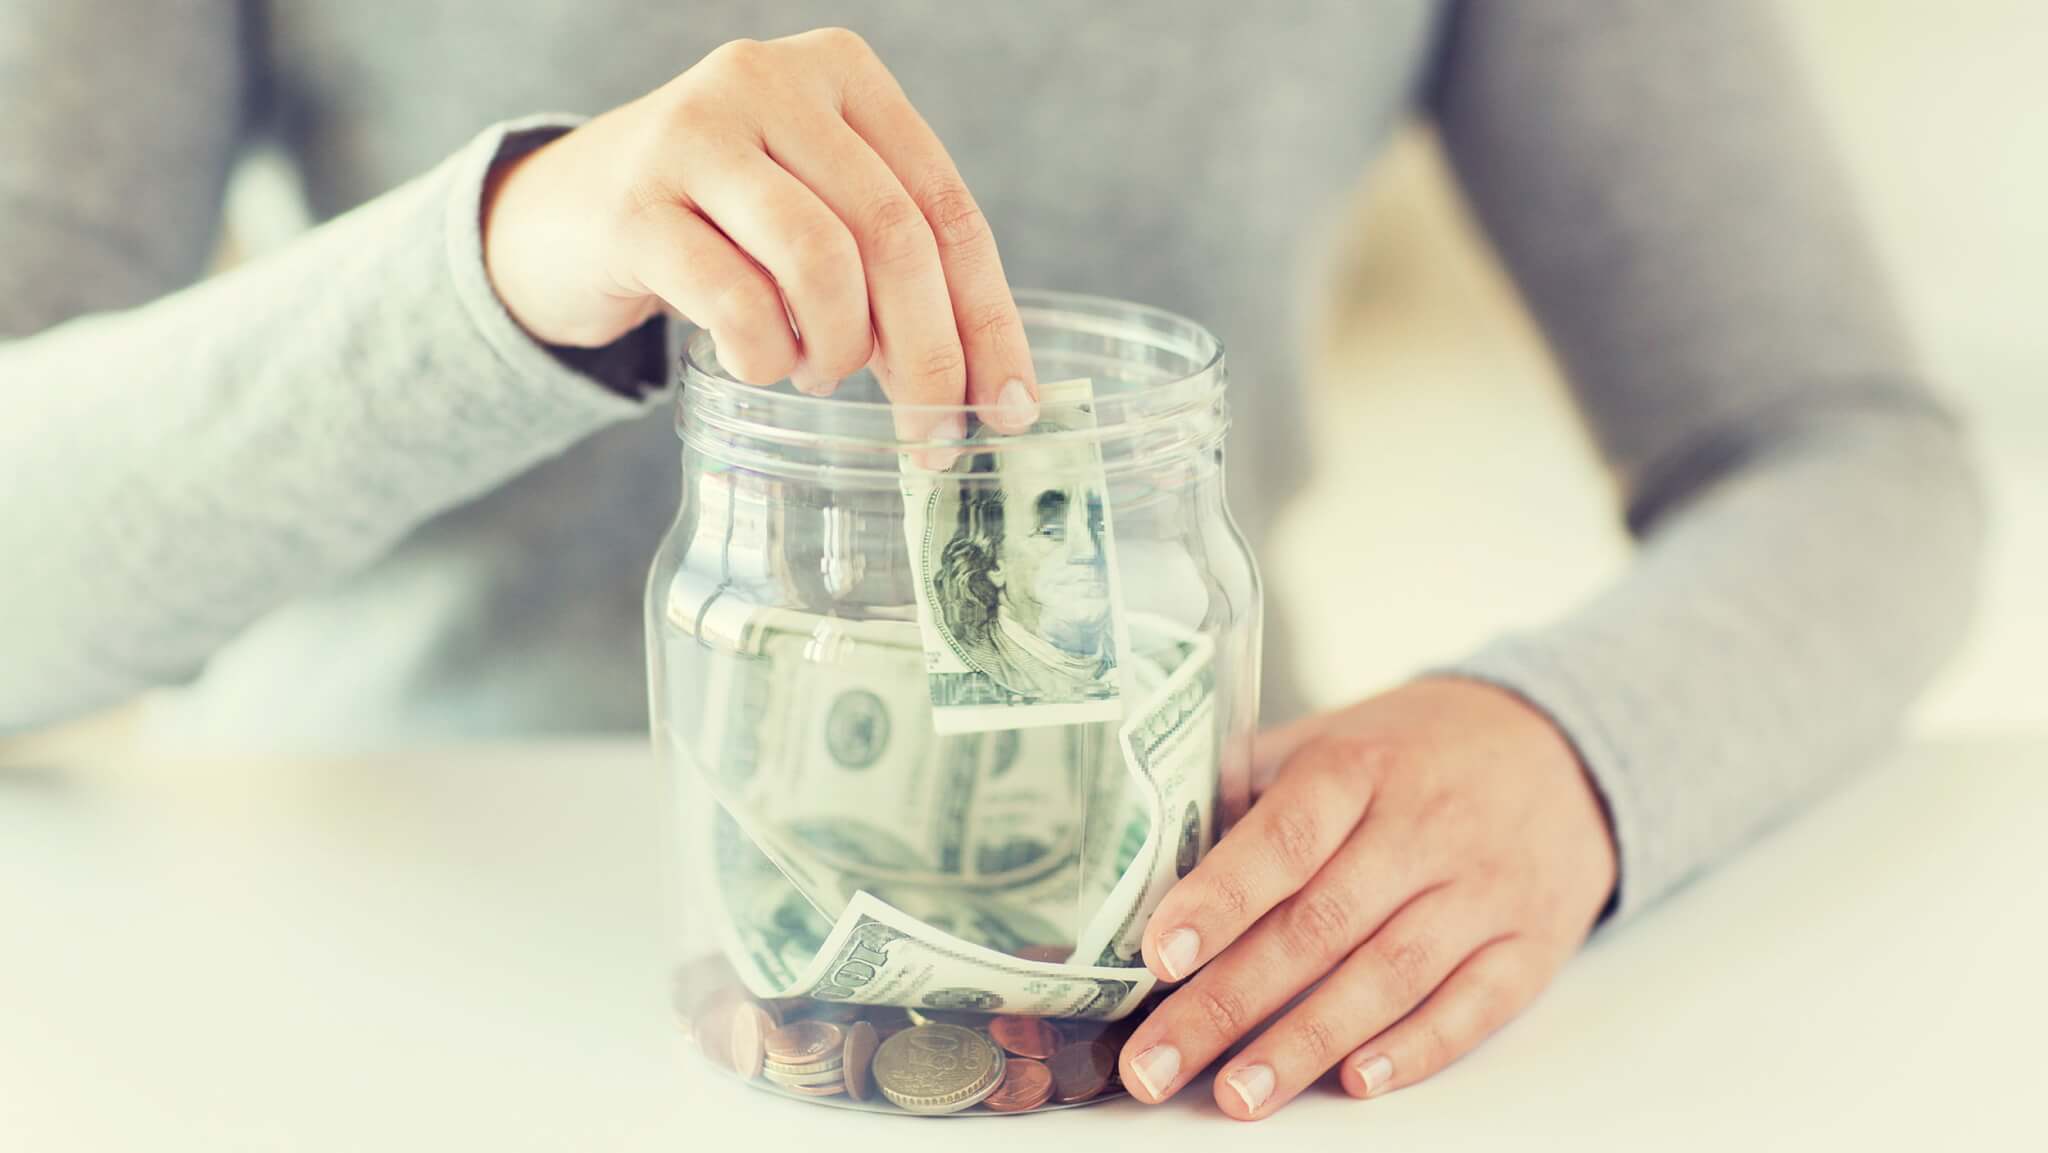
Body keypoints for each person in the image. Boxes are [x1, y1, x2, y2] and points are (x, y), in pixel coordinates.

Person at [0, 1, 1981, 1121]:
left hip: (1172, 976)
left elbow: (1851, 452)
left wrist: (1568, 750)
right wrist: (504, 258)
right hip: (345, 1002)